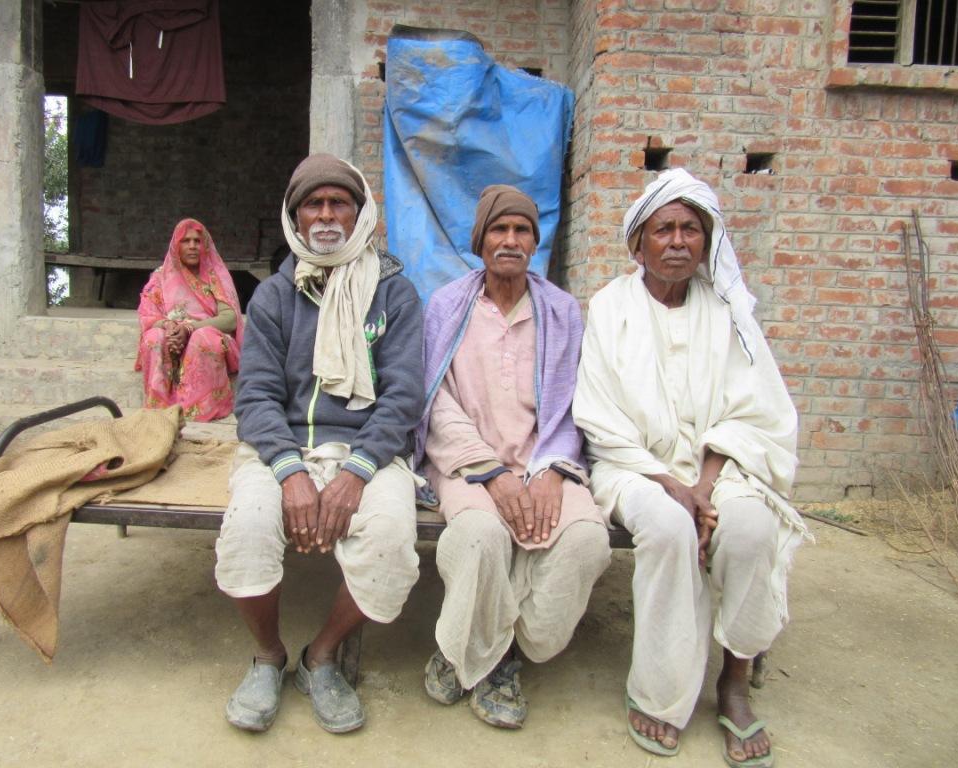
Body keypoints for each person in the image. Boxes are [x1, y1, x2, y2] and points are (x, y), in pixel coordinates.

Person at [573, 168, 810, 767]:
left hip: (719, 467)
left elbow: (753, 410)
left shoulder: (728, 312)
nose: (677, 241)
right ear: (638, 244)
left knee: (752, 530)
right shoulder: (609, 308)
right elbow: (599, 419)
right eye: (663, 230)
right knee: (669, 528)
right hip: (635, 467)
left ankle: (734, 678)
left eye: (690, 229)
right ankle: (661, 691)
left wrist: (703, 488)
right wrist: (672, 487)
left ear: (707, 241)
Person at [214, 154, 424, 735]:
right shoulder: (275, 296)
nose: (327, 215)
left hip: (369, 454)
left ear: (361, 215)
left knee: (389, 543)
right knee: (249, 530)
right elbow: (254, 396)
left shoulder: (395, 294)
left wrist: (356, 471)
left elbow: (404, 398)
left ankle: (321, 656)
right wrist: (290, 472)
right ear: (295, 216)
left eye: (340, 203)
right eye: (314, 204)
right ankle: (267, 656)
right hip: (282, 450)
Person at [418, 185, 610, 730]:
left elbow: (575, 402)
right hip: (466, 465)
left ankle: (508, 646)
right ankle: (481, 658)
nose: (510, 240)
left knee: (584, 540)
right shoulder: (448, 306)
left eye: (521, 230)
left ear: (534, 241)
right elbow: (435, 404)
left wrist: (550, 472)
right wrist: (492, 475)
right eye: (498, 230)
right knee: (480, 536)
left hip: (547, 460)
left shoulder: (561, 310)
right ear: (480, 241)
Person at [135, 218, 244, 422]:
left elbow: (229, 319)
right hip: (172, 334)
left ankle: (198, 408)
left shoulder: (215, 276)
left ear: (205, 245)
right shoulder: (161, 277)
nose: (193, 246)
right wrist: (168, 327)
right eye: (186, 241)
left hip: (205, 334)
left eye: (197, 241)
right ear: (176, 245)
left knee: (203, 339)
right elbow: (147, 315)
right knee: (153, 338)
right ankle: (158, 408)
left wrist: (190, 328)